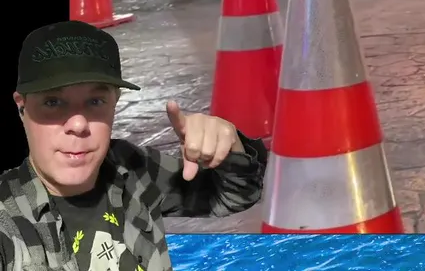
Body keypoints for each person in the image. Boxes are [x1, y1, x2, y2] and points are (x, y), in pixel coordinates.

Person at [1, 21, 267, 271]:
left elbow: (235, 197)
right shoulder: (7, 218)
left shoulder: (132, 168)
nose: (79, 124)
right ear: (22, 107)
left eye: (95, 101)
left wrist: (229, 149)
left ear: (114, 102)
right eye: (52, 102)